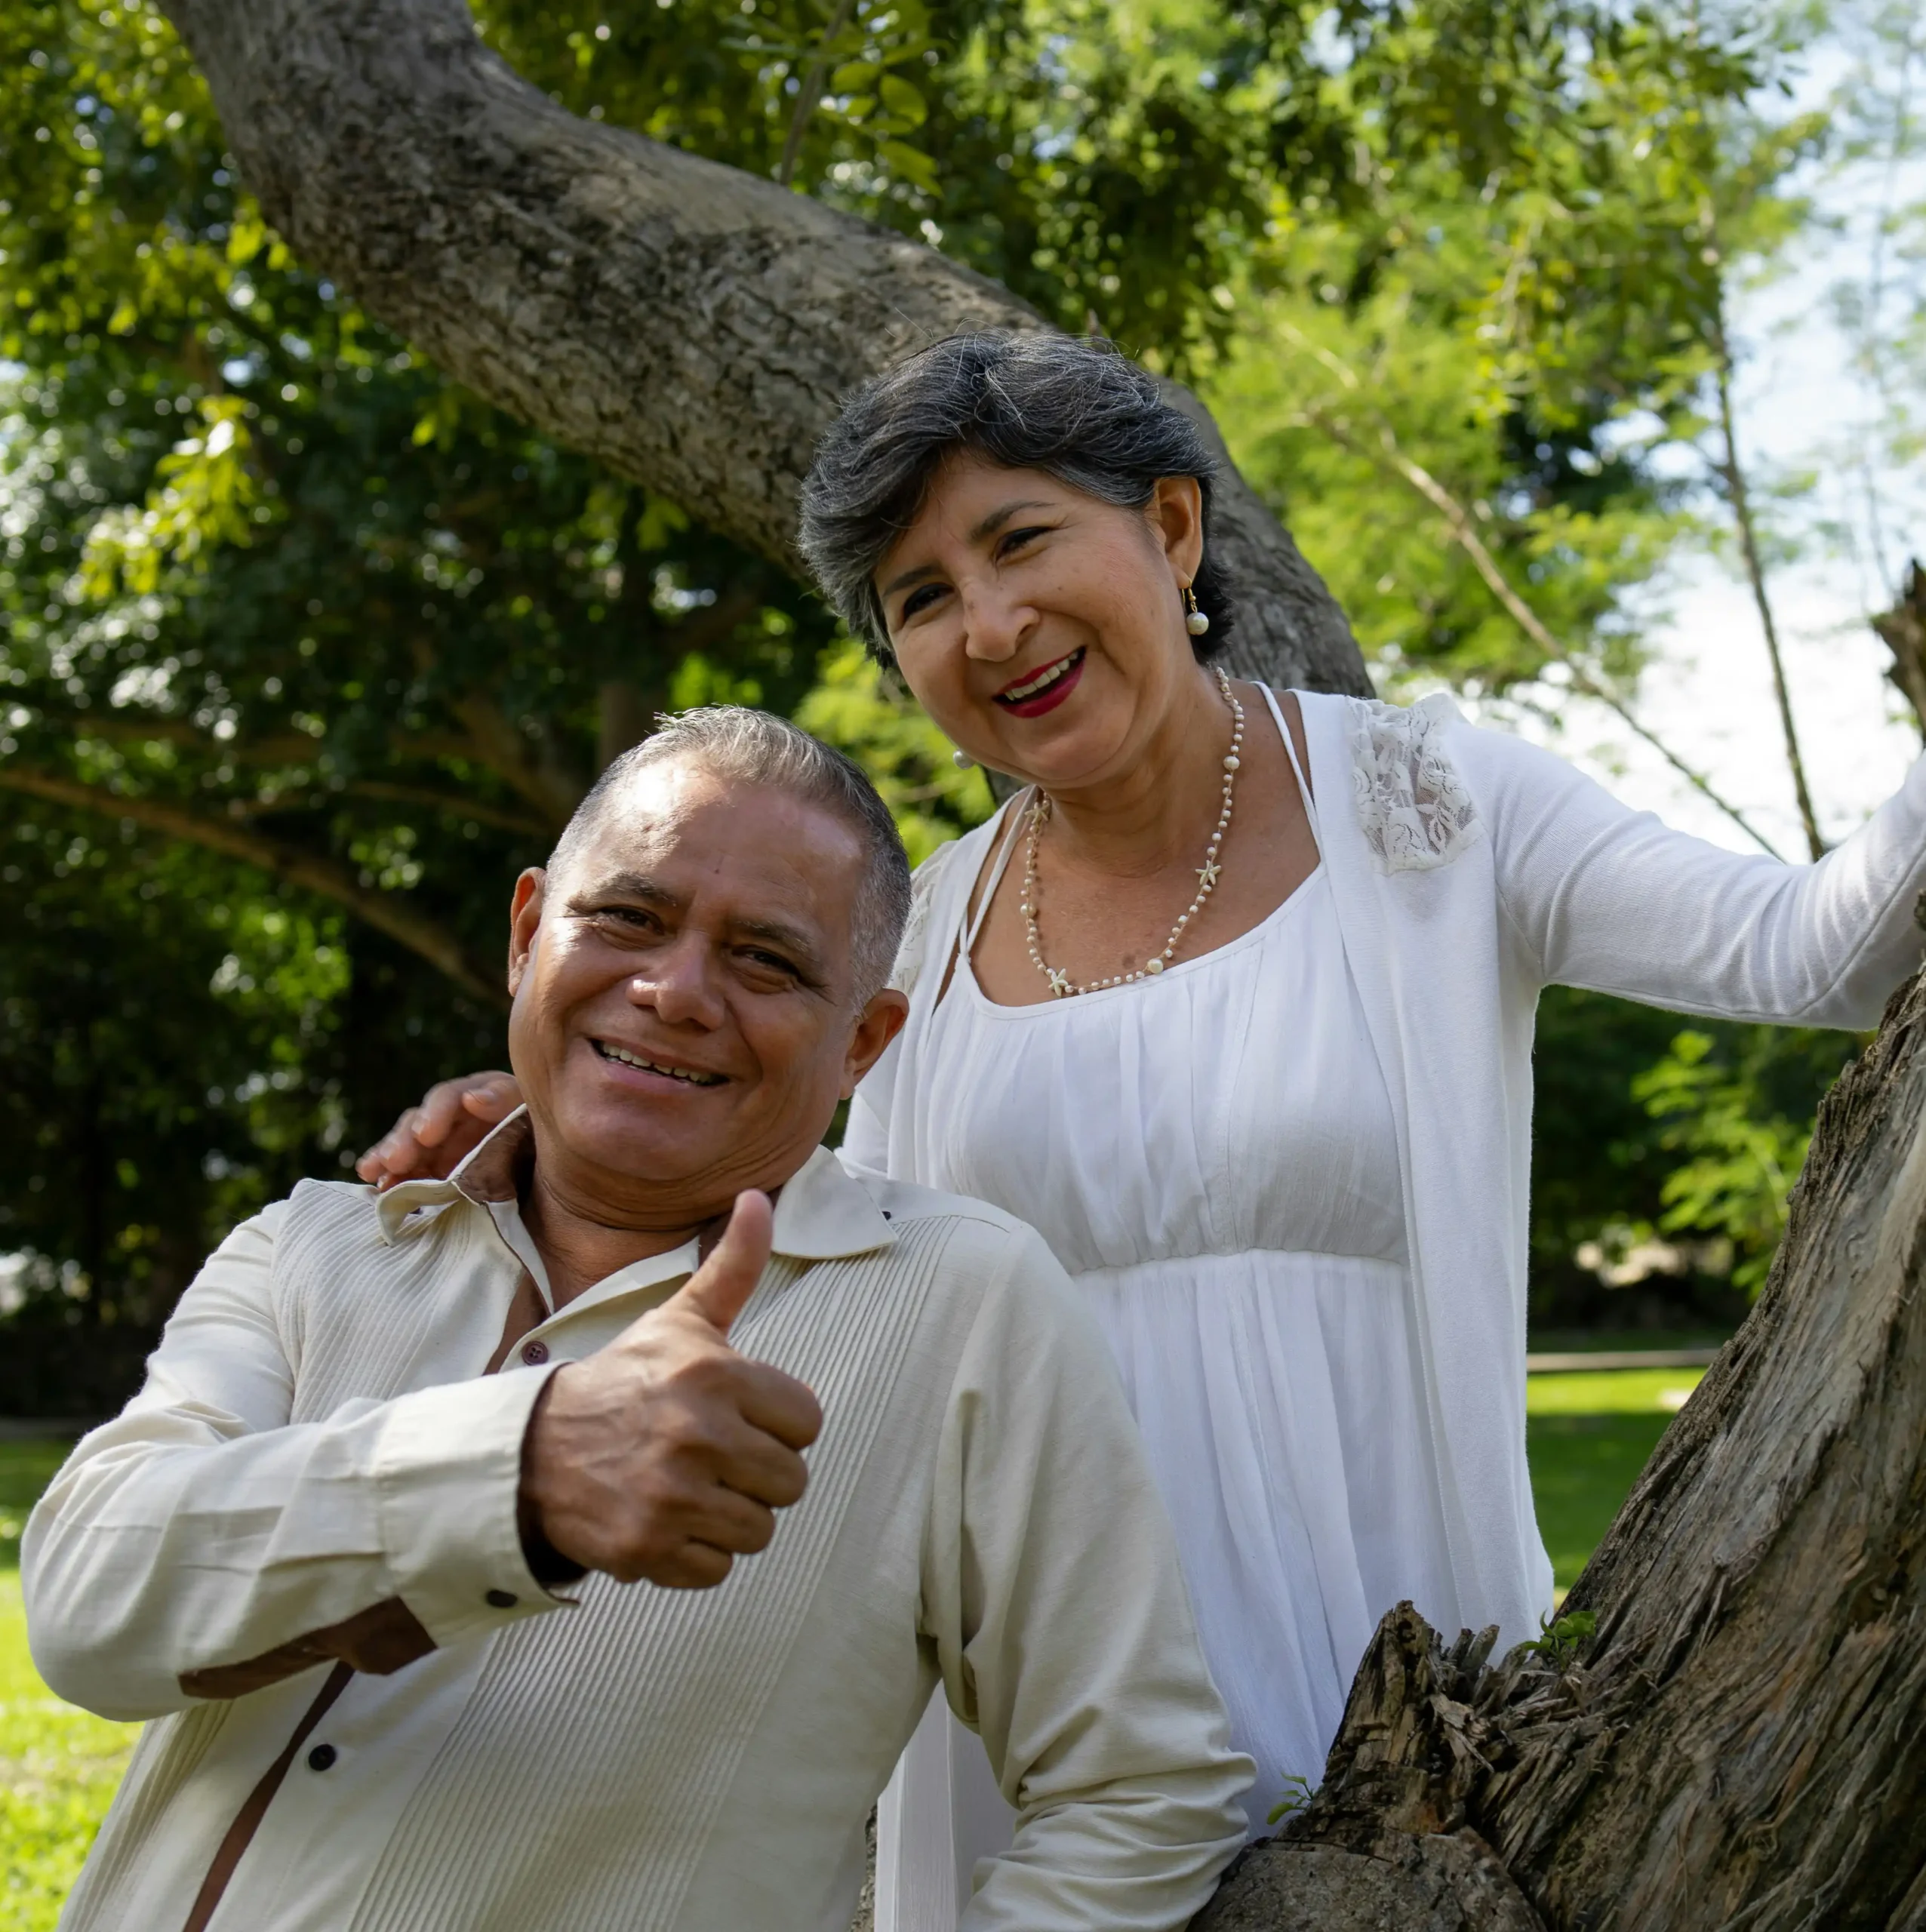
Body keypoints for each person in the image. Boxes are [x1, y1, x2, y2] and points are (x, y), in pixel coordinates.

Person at [359, 334, 1926, 1926]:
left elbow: (1817, 952)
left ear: (1172, 529)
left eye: (1021, 539)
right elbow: (759, 1232)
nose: (991, 625)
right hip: (1035, 1746)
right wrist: (546, 1120)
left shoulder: (1431, 809)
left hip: (1402, 1706)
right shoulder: (912, 940)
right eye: (921, 597)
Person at [23, 706, 1254, 1932]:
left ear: (864, 1044)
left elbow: (1141, 1792)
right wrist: (516, 1475)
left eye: (766, 961)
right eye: (627, 918)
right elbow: (86, 1604)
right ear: (527, 935)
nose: (673, 992)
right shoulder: (317, 1246)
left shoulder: (959, 1304)